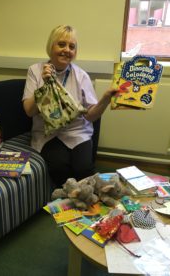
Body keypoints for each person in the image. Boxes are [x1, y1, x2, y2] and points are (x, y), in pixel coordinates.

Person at [22, 25, 117, 187]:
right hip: (48, 133)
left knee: (84, 169)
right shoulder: (35, 71)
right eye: (61, 44)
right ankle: (68, 204)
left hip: (77, 131)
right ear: (50, 46)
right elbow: (29, 111)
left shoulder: (81, 75)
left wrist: (106, 99)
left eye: (72, 47)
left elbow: (90, 116)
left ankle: (88, 200)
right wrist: (44, 86)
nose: (67, 50)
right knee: (60, 168)